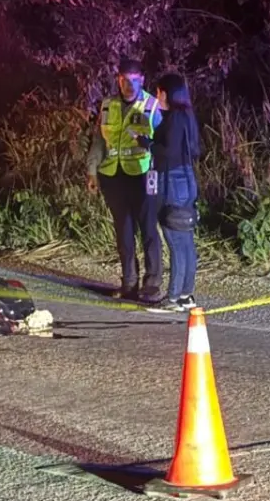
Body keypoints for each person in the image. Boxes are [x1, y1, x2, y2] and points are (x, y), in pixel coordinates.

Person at [85, 58, 164, 303]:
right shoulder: (108, 104)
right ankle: (129, 282)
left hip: (143, 174)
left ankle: (152, 284)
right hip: (113, 175)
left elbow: (164, 143)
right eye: (124, 80)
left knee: (148, 229)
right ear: (118, 80)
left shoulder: (152, 105)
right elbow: (99, 140)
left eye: (134, 80)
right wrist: (92, 170)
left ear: (142, 80)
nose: (129, 86)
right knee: (124, 231)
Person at [147, 73, 201, 312]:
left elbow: (167, 151)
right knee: (185, 240)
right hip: (186, 179)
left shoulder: (175, 119)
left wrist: (147, 144)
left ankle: (174, 297)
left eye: (159, 92)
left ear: (166, 93)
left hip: (173, 181)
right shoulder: (185, 116)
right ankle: (186, 295)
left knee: (176, 240)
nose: (157, 97)